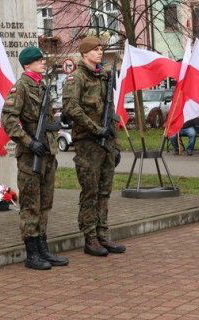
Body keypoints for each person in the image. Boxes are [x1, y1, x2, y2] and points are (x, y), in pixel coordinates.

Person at [1, 46, 68, 270]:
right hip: (31, 156)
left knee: (45, 203)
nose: (43, 63)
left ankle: (43, 248)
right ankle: (32, 253)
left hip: (48, 153)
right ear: (27, 65)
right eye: (38, 61)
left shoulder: (42, 86)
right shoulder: (21, 87)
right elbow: (8, 120)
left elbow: (46, 120)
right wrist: (30, 142)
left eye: (42, 60)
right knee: (31, 204)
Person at [62, 36, 126, 257]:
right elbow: (71, 108)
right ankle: (90, 238)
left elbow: (109, 113)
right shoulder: (76, 78)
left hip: (105, 143)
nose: (100, 52)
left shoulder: (103, 77)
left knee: (105, 191)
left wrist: (114, 144)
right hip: (88, 143)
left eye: (101, 49)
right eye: (95, 49)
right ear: (84, 53)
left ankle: (103, 234)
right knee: (90, 192)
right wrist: (95, 128)